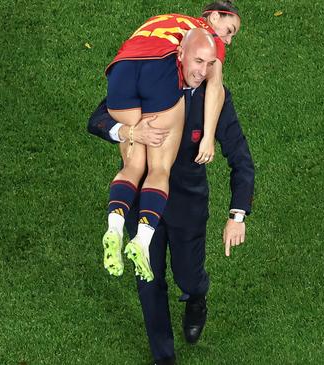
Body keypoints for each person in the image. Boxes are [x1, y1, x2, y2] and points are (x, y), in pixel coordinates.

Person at [88, 82, 254, 364]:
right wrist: (129, 131)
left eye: (207, 64)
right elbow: (98, 120)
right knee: (148, 280)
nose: (201, 71)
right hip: (141, 200)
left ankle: (197, 295)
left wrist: (237, 216)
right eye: (197, 62)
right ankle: (163, 358)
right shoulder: (147, 82)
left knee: (188, 275)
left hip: (187, 205)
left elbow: (241, 159)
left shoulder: (213, 98)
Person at [102, 2, 242, 282]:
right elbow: (215, 87)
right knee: (158, 168)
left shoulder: (169, 20)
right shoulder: (206, 38)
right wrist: (207, 138)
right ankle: (141, 241)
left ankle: (114, 227)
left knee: (134, 160)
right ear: (214, 17)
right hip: (158, 72)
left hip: (120, 69)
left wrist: (130, 132)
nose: (227, 39)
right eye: (229, 30)